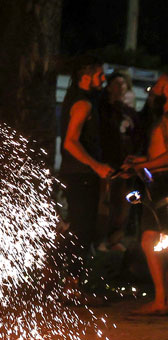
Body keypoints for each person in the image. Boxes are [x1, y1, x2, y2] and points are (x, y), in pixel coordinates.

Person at [59, 56, 113, 270]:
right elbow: (70, 142)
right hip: (81, 174)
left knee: (77, 227)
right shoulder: (83, 104)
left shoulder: (76, 99)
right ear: (86, 77)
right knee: (82, 229)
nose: (103, 79)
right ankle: (71, 285)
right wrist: (96, 165)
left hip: (78, 173)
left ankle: (57, 281)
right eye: (99, 75)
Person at [122, 77, 168, 315]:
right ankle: (161, 298)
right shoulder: (162, 115)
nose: (155, 88)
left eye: (161, 84)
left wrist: (148, 163)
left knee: (151, 240)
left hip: (165, 183)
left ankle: (161, 299)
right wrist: (142, 162)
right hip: (158, 182)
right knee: (152, 239)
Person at [96, 72, 138, 252]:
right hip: (107, 161)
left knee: (122, 204)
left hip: (125, 163)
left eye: (123, 84)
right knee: (105, 202)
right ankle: (100, 239)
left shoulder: (128, 110)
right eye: (116, 83)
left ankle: (115, 239)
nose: (120, 88)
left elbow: (136, 132)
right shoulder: (103, 108)